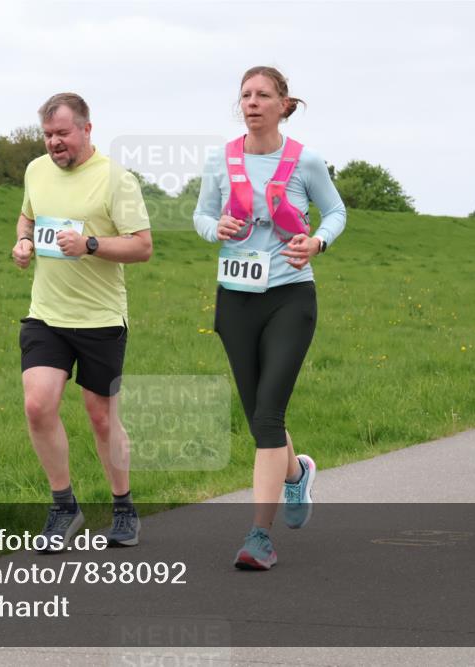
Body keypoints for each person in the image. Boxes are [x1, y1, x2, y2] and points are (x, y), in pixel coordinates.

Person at [192, 66, 346, 570]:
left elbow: (337, 212)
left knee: (266, 419)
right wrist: (217, 226)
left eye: (263, 95)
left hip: (289, 297)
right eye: (245, 95)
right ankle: (297, 474)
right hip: (235, 299)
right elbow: (200, 217)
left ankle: (259, 536)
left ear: (284, 104)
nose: (252, 102)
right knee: (261, 409)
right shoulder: (222, 159)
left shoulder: (307, 161)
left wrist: (317, 241)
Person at [12, 92, 153, 552]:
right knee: (38, 405)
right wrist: (23, 244)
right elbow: (27, 218)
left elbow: (142, 246)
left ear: (87, 130)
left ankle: (124, 507)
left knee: (102, 418)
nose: (54, 143)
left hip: (100, 319)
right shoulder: (35, 170)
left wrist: (90, 245)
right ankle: (63, 506)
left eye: (63, 134)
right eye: (48, 135)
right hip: (47, 315)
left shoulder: (116, 179)